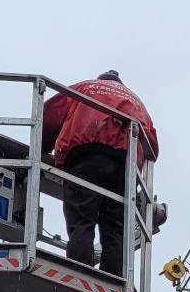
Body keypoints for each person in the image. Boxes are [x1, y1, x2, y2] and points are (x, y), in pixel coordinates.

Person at [41, 71, 158, 277]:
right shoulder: (138, 104)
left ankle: (80, 274)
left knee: (81, 222)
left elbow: (49, 117)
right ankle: (113, 280)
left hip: (86, 157)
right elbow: (153, 148)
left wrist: (41, 148)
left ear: (100, 79)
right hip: (124, 166)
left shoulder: (85, 88)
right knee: (114, 229)